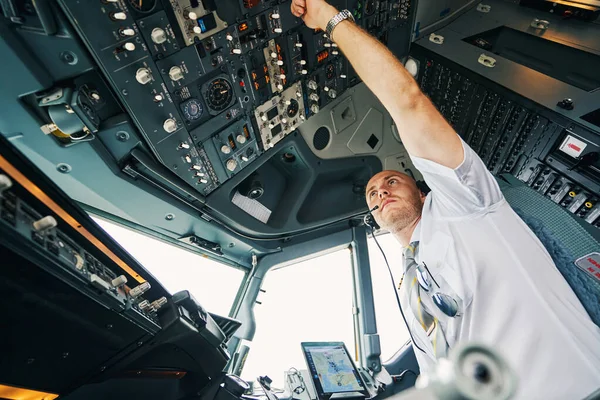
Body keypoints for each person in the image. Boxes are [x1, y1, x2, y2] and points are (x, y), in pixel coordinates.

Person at [291, 1, 600, 398]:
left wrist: (330, 21)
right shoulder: (408, 286)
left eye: (390, 181)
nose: (380, 191)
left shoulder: (464, 201)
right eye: (372, 194)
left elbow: (408, 101)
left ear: (423, 189)